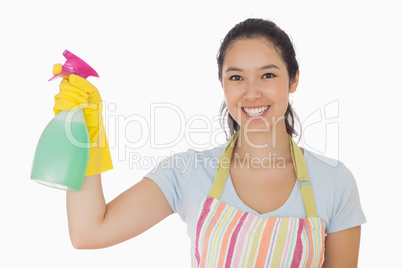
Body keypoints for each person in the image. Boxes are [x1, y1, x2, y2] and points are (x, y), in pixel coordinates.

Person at [59, 18, 366, 267]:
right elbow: (88, 232)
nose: (251, 93)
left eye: (268, 75)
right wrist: (85, 136)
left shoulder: (334, 181)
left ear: (294, 79)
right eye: (236, 78)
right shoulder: (188, 172)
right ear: (222, 83)